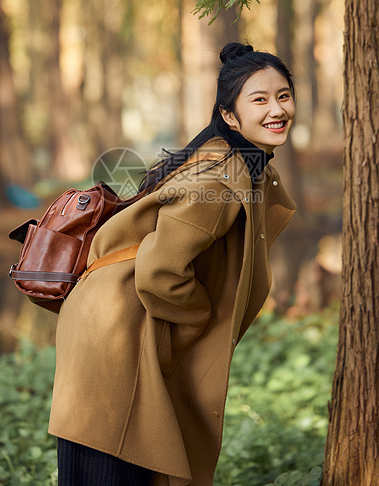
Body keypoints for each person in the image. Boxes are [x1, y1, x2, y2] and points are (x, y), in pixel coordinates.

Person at [49, 42, 297, 486]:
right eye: (259, 99)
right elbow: (162, 272)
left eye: (283, 95)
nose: (277, 109)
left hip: (109, 319)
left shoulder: (230, 158)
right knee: (117, 462)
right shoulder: (220, 178)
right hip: (117, 331)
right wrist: (199, 318)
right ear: (230, 116)